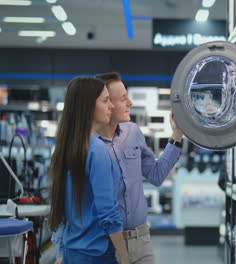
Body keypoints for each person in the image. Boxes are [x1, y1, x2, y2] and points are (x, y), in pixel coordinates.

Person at [52, 72, 183, 264]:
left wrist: (177, 135)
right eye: (119, 99)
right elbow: (67, 203)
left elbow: (156, 175)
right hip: (106, 243)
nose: (129, 102)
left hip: (139, 241)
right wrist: (60, 251)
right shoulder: (86, 146)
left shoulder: (133, 133)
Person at [48, 76, 129, 263]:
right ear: (88, 106)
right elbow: (108, 212)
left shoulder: (69, 147)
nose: (111, 106)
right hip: (97, 253)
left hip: (73, 250)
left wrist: (60, 251)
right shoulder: (97, 150)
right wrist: (124, 255)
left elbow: (63, 207)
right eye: (105, 100)